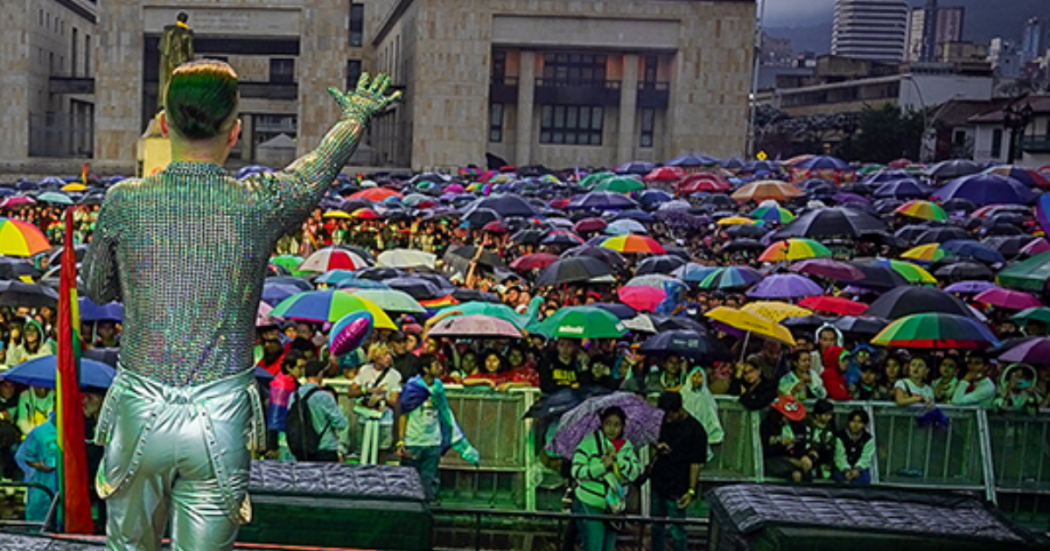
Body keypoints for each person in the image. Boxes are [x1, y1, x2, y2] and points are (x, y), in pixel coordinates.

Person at [82, 59, 398, 550]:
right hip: (220, 415)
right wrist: (354, 117)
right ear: (235, 131)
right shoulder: (258, 203)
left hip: (139, 408)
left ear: (163, 124)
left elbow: (97, 288)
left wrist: (147, 287)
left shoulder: (125, 201)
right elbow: (314, 172)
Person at [398, 354, 479, 501]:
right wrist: (401, 439)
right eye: (436, 365)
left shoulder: (438, 386)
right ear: (425, 369)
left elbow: (444, 411)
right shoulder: (413, 387)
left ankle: (427, 504)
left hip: (433, 440)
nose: (440, 368)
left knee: (428, 478)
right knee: (409, 478)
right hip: (413, 440)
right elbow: (403, 414)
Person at [571, 406, 641, 551]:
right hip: (589, 502)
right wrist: (602, 466)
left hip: (614, 507)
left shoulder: (627, 447)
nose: (612, 429)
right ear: (602, 424)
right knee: (594, 545)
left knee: (608, 547)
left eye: (617, 425)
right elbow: (577, 471)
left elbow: (635, 473)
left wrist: (618, 460)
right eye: (608, 423)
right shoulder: (589, 442)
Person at [649, 392, 706, 551]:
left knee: (678, 530)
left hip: (679, 485)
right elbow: (652, 437)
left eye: (670, 415)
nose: (667, 419)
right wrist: (657, 446)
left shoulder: (695, 430)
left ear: (679, 409)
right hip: (659, 480)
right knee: (656, 526)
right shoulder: (662, 422)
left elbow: (696, 463)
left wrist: (691, 490)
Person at [288, 360, 348, 462]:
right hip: (324, 448)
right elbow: (341, 423)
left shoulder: (294, 396)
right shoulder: (325, 396)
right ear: (320, 374)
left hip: (301, 450)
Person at [14, 412, 58, 523]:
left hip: (71, 487)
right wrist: (39, 465)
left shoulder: (78, 430)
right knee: (40, 521)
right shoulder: (41, 432)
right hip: (45, 485)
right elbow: (23, 456)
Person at [760, 395, 812, 482]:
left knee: (800, 472)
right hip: (773, 460)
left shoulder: (798, 426)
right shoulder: (767, 426)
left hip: (794, 459)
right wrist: (781, 445)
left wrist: (804, 456)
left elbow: (802, 445)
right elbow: (764, 450)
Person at [833, 409, 874, 485]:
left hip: (860, 469)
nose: (855, 425)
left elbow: (866, 457)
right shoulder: (840, 436)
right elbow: (839, 456)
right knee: (839, 478)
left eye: (859, 422)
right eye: (853, 421)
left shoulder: (868, 439)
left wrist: (857, 469)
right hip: (842, 468)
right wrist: (846, 470)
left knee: (864, 479)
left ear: (864, 424)